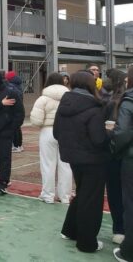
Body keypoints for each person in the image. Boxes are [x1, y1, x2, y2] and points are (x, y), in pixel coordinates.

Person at [53, 70, 109, 253]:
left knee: (83, 193)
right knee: (91, 199)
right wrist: (110, 134)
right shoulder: (94, 107)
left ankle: (70, 230)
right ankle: (87, 242)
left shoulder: (64, 104)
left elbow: (56, 132)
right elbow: (98, 139)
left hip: (73, 157)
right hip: (93, 159)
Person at [29, 72, 72, 204]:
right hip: (66, 132)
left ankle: (48, 195)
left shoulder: (43, 99)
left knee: (48, 164)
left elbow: (36, 120)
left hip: (48, 131)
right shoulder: (70, 97)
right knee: (66, 165)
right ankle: (64, 196)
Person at [111, 66, 133, 262]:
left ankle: (129, 250)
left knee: (130, 202)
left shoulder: (129, 100)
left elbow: (123, 132)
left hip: (129, 158)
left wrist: (115, 147)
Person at [104, 69, 127, 246]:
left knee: (116, 192)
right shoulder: (111, 101)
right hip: (120, 154)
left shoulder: (112, 102)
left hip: (114, 154)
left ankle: (119, 229)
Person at [5, 71, 25, 153]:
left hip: (13, 110)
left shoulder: (11, 87)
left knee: (14, 129)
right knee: (17, 129)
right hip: (18, 109)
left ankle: (16, 146)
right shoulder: (17, 85)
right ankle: (19, 145)